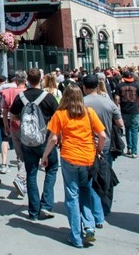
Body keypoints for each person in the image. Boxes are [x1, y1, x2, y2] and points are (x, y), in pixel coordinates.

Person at [41, 85, 106, 248]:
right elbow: (102, 135)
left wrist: (45, 155)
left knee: (72, 195)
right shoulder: (89, 112)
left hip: (69, 157)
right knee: (85, 191)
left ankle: (76, 236)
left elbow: (53, 139)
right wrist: (98, 150)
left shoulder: (60, 114)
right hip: (88, 158)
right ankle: (89, 225)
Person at [9, 68, 59, 221]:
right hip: (45, 139)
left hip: (27, 140)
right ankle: (46, 204)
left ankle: (33, 210)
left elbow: (13, 115)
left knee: (31, 174)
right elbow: (58, 117)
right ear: (41, 79)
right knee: (51, 169)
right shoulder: (48, 97)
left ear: (27, 80)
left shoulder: (21, 96)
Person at [82, 73, 123, 218]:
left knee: (90, 178)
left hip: (86, 144)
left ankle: (93, 208)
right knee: (105, 175)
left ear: (84, 87)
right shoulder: (108, 102)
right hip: (105, 144)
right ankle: (105, 207)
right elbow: (120, 123)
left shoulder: (81, 103)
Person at [114, 69, 139, 158]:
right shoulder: (137, 85)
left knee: (127, 129)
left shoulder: (119, 86)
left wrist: (116, 108)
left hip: (124, 110)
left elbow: (116, 98)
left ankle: (129, 148)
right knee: (134, 129)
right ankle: (135, 151)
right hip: (134, 110)